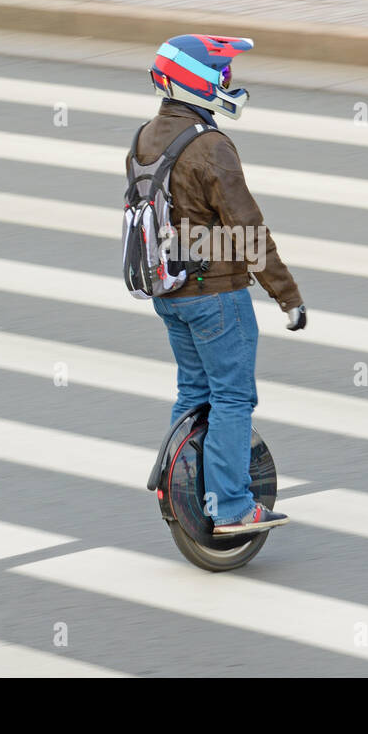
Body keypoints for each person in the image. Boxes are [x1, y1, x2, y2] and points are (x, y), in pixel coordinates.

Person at [135, 34, 306, 535]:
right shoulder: (210, 146)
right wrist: (287, 297)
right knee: (232, 397)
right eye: (224, 74)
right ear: (200, 81)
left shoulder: (146, 135)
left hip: (170, 292)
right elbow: (247, 229)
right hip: (216, 296)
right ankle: (231, 505)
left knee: (193, 391)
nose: (230, 83)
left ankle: (177, 475)